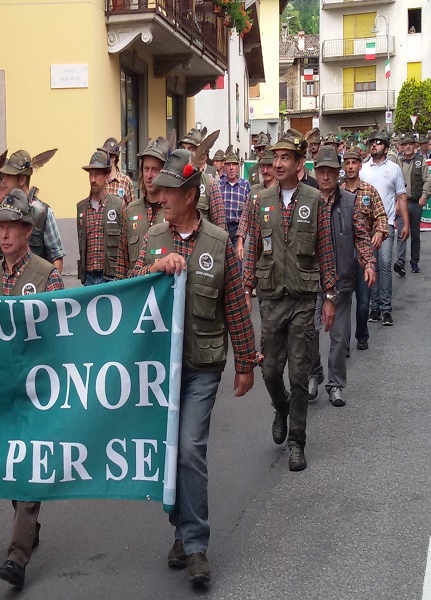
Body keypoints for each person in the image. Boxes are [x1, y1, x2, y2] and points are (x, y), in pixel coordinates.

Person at [129, 149, 256, 587]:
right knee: (168, 455)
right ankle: (181, 532)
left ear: (189, 194)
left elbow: (236, 305)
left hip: (202, 366)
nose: (160, 195)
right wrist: (153, 268)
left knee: (189, 449)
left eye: (168, 189)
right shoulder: (152, 238)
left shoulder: (218, 243)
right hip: (160, 370)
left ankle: (197, 546)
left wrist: (245, 362)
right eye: (159, 188)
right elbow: (128, 289)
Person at [0, 188, 64, 588]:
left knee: (28, 463)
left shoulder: (47, 274)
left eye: (12, 226)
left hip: (37, 386)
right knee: (11, 464)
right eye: (1, 227)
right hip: (1, 384)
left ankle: (17, 556)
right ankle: (28, 523)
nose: (5, 234)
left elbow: (60, 330)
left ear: (28, 231)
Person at [242, 128, 337, 472]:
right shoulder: (259, 202)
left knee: (298, 374)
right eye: (275, 158)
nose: (278, 163)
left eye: (286, 158)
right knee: (269, 371)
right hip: (271, 299)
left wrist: (329, 297)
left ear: (299, 164)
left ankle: (297, 441)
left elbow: (326, 250)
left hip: (302, 300)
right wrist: (245, 286)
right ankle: (280, 406)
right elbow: (252, 246)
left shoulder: (315, 200)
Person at [308, 146, 376, 407]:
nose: (326, 177)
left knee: (338, 337)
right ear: (316, 172)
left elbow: (361, 236)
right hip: (312, 281)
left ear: (338, 174)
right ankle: (314, 374)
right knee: (309, 334)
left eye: (331, 172)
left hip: (341, 280)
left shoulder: (350, 201)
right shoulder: (308, 202)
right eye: (322, 171)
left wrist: (368, 262)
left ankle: (335, 384)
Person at [0, 149, 65, 287]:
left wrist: (50, 290)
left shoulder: (42, 213)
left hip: (34, 289)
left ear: (22, 179)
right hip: (3, 288)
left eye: (9, 176)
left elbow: (56, 257)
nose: (3, 180)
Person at [340, 146, 388, 351]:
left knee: (363, 300)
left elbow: (381, 217)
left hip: (363, 251)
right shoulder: (338, 191)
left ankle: (362, 335)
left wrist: (379, 232)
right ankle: (344, 344)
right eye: (347, 163)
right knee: (343, 301)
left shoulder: (369, 191)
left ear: (360, 165)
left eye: (354, 163)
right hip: (342, 252)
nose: (351, 167)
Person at [361, 130, 409, 326]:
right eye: (372, 142)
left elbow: (401, 197)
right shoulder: (363, 169)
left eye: (379, 142)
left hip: (387, 225)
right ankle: (374, 308)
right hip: (367, 228)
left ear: (386, 147)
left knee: (385, 265)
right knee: (372, 266)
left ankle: (386, 309)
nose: (374, 145)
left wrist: (405, 223)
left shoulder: (394, 169)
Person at [77, 149, 129, 285]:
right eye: (91, 175)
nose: (93, 180)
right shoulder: (81, 207)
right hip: (88, 278)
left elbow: (125, 243)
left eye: (97, 174)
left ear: (106, 176)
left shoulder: (118, 205)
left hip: (110, 278)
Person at [124, 137, 168, 271]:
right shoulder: (130, 210)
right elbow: (122, 263)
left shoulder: (172, 211)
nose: (149, 175)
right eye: (146, 169)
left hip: (163, 288)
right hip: (136, 288)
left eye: (155, 170)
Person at [395, 133, 430, 274]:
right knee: (402, 233)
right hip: (401, 203)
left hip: (416, 203)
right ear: (402, 147)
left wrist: (424, 196)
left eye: (410, 144)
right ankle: (400, 261)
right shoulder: (398, 163)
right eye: (405, 144)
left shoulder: (420, 161)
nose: (408, 146)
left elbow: (427, 180)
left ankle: (414, 261)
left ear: (415, 146)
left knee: (415, 234)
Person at [180, 129, 226, 229]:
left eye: (190, 149)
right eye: (183, 148)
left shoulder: (211, 181)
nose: (186, 153)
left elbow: (220, 223)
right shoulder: (176, 179)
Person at [237, 146, 275, 262]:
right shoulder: (254, 190)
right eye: (263, 166)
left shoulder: (281, 190)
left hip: (275, 244)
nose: (265, 170)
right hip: (255, 243)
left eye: (269, 166)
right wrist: (240, 241)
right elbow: (245, 217)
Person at [218, 149, 250, 245]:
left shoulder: (245, 185)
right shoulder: (219, 185)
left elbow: (248, 210)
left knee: (237, 258)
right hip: (223, 228)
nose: (231, 168)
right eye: (228, 165)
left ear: (238, 166)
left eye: (234, 165)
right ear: (224, 167)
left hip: (238, 229)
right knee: (223, 258)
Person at [99, 137, 134, 204]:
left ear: (114, 158)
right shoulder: (100, 179)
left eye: (107, 155)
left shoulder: (126, 181)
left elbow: (132, 210)